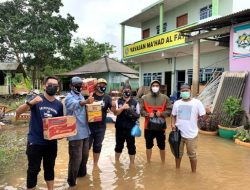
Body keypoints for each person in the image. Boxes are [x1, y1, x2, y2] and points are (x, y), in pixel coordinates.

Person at [16, 76, 63, 190]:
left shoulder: (59, 104)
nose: (52, 87)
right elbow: (18, 111)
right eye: (50, 84)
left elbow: (59, 124)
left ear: (57, 89)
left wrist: (61, 134)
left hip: (51, 143)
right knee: (33, 169)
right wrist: (31, 102)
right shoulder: (36, 99)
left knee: (50, 168)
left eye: (55, 86)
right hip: (35, 142)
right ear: (44, 86)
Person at [65, 76, 94, 187]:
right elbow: (74, 105)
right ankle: (71, 183)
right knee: (76, 159)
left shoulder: (81, 95)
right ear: (71, 86)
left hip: (85, 131)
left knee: (85, 157)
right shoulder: (68, 97)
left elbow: (84, 107)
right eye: (76, 85)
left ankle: (83, 179)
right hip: (75, 133)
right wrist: (86, 101)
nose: (78, 86)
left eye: (80, 85)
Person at [171, 83, 206, 173]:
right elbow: (173, 115)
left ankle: (193, 173)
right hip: (178, 134)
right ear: (180, 92)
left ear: (190, 91)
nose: (184, 92)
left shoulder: (197, 103)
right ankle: (177, 170)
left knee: (192, 155)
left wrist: (207, 114)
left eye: (186, 90)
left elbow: (203, 116)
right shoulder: (177, 103)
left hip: (192, 134)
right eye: (183, 91)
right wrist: (172, 124)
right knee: (178, 154)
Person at [141, 80, 172, 163]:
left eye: (157, 85)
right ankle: (148, 163)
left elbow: (170, 110)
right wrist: (147, 114)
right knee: (148, 145)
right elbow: (141, 110)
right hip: (148, 127)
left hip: (161, 127)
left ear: (159, 87)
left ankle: (163, 163)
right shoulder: (144, 97)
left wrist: (161, 113)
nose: (155, 87)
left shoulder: (165, 98)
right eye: (153, 85)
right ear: (151, 87)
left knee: (162, 146)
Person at [88, 78, 112, 165]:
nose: (103, 86)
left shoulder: (107, 97)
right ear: (96, 86)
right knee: (86, 147)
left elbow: (113, 110)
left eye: (104, 85)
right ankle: (84, 165)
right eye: (101, 84)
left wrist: (114, 105)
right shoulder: (90, 96)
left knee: (97, 146)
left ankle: (95, 165)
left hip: (101, 127)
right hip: (89, 126)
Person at [114, 84, 140, 164]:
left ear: (130, 91)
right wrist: (122, 107)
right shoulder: (117, 101)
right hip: (120, 128)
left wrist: (130, 111)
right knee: (118, 146)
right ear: (122, 91)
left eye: (128, 90)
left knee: (131, 147)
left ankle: (132, 164)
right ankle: (116, 162)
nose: (127, 91)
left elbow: (138, 115)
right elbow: (115, 113)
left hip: (130, 129)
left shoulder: (135, 102)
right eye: (125, 90)